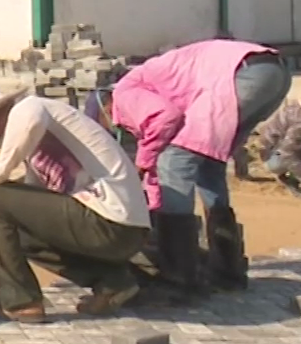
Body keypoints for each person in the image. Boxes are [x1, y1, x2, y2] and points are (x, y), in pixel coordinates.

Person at [108, 39, 291, 293]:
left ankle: (178, 276)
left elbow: (165, 118)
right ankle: (227, 271)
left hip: (242, 73)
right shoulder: (154, 78)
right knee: (208, 164)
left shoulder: (123, 92)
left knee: (174, 160)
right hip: (274, 73)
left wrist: (144, 161)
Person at [0, 83, 151, 323]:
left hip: (110, 219)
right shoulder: (36, 148)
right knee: (16, 227)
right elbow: (26, 207)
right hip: (121, 230)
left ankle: (20, 303)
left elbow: (30, 119)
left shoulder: (29, 108)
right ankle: (112, 282)